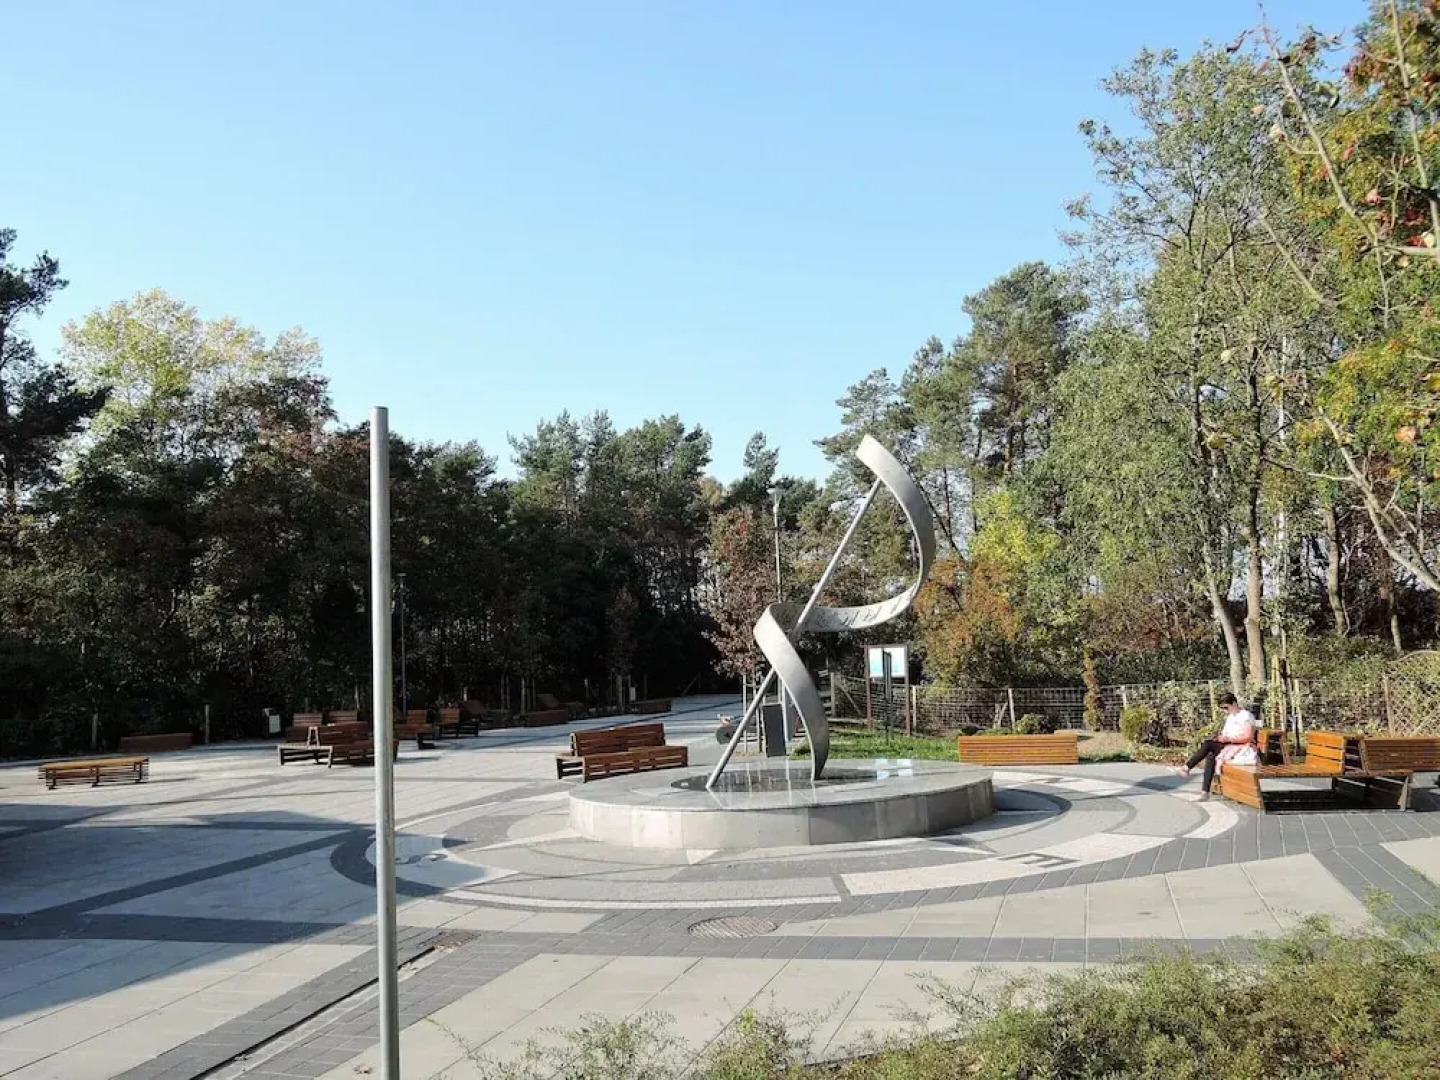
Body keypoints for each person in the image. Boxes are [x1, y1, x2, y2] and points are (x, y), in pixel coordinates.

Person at [1172, 693, 1257, 799]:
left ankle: (1187, 768)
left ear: (1234, 703)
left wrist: (1228, 739)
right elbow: (1226, 734)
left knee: (1208, 745)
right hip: (1230, 745)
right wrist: (1219, 737)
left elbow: (1248, 737)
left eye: (1227, 707)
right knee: (1211, 753)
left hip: (1241, 747)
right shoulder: (1231, 717)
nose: (1226, 710)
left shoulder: (1246, 716)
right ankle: (1204, 792)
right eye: (1223, 708)